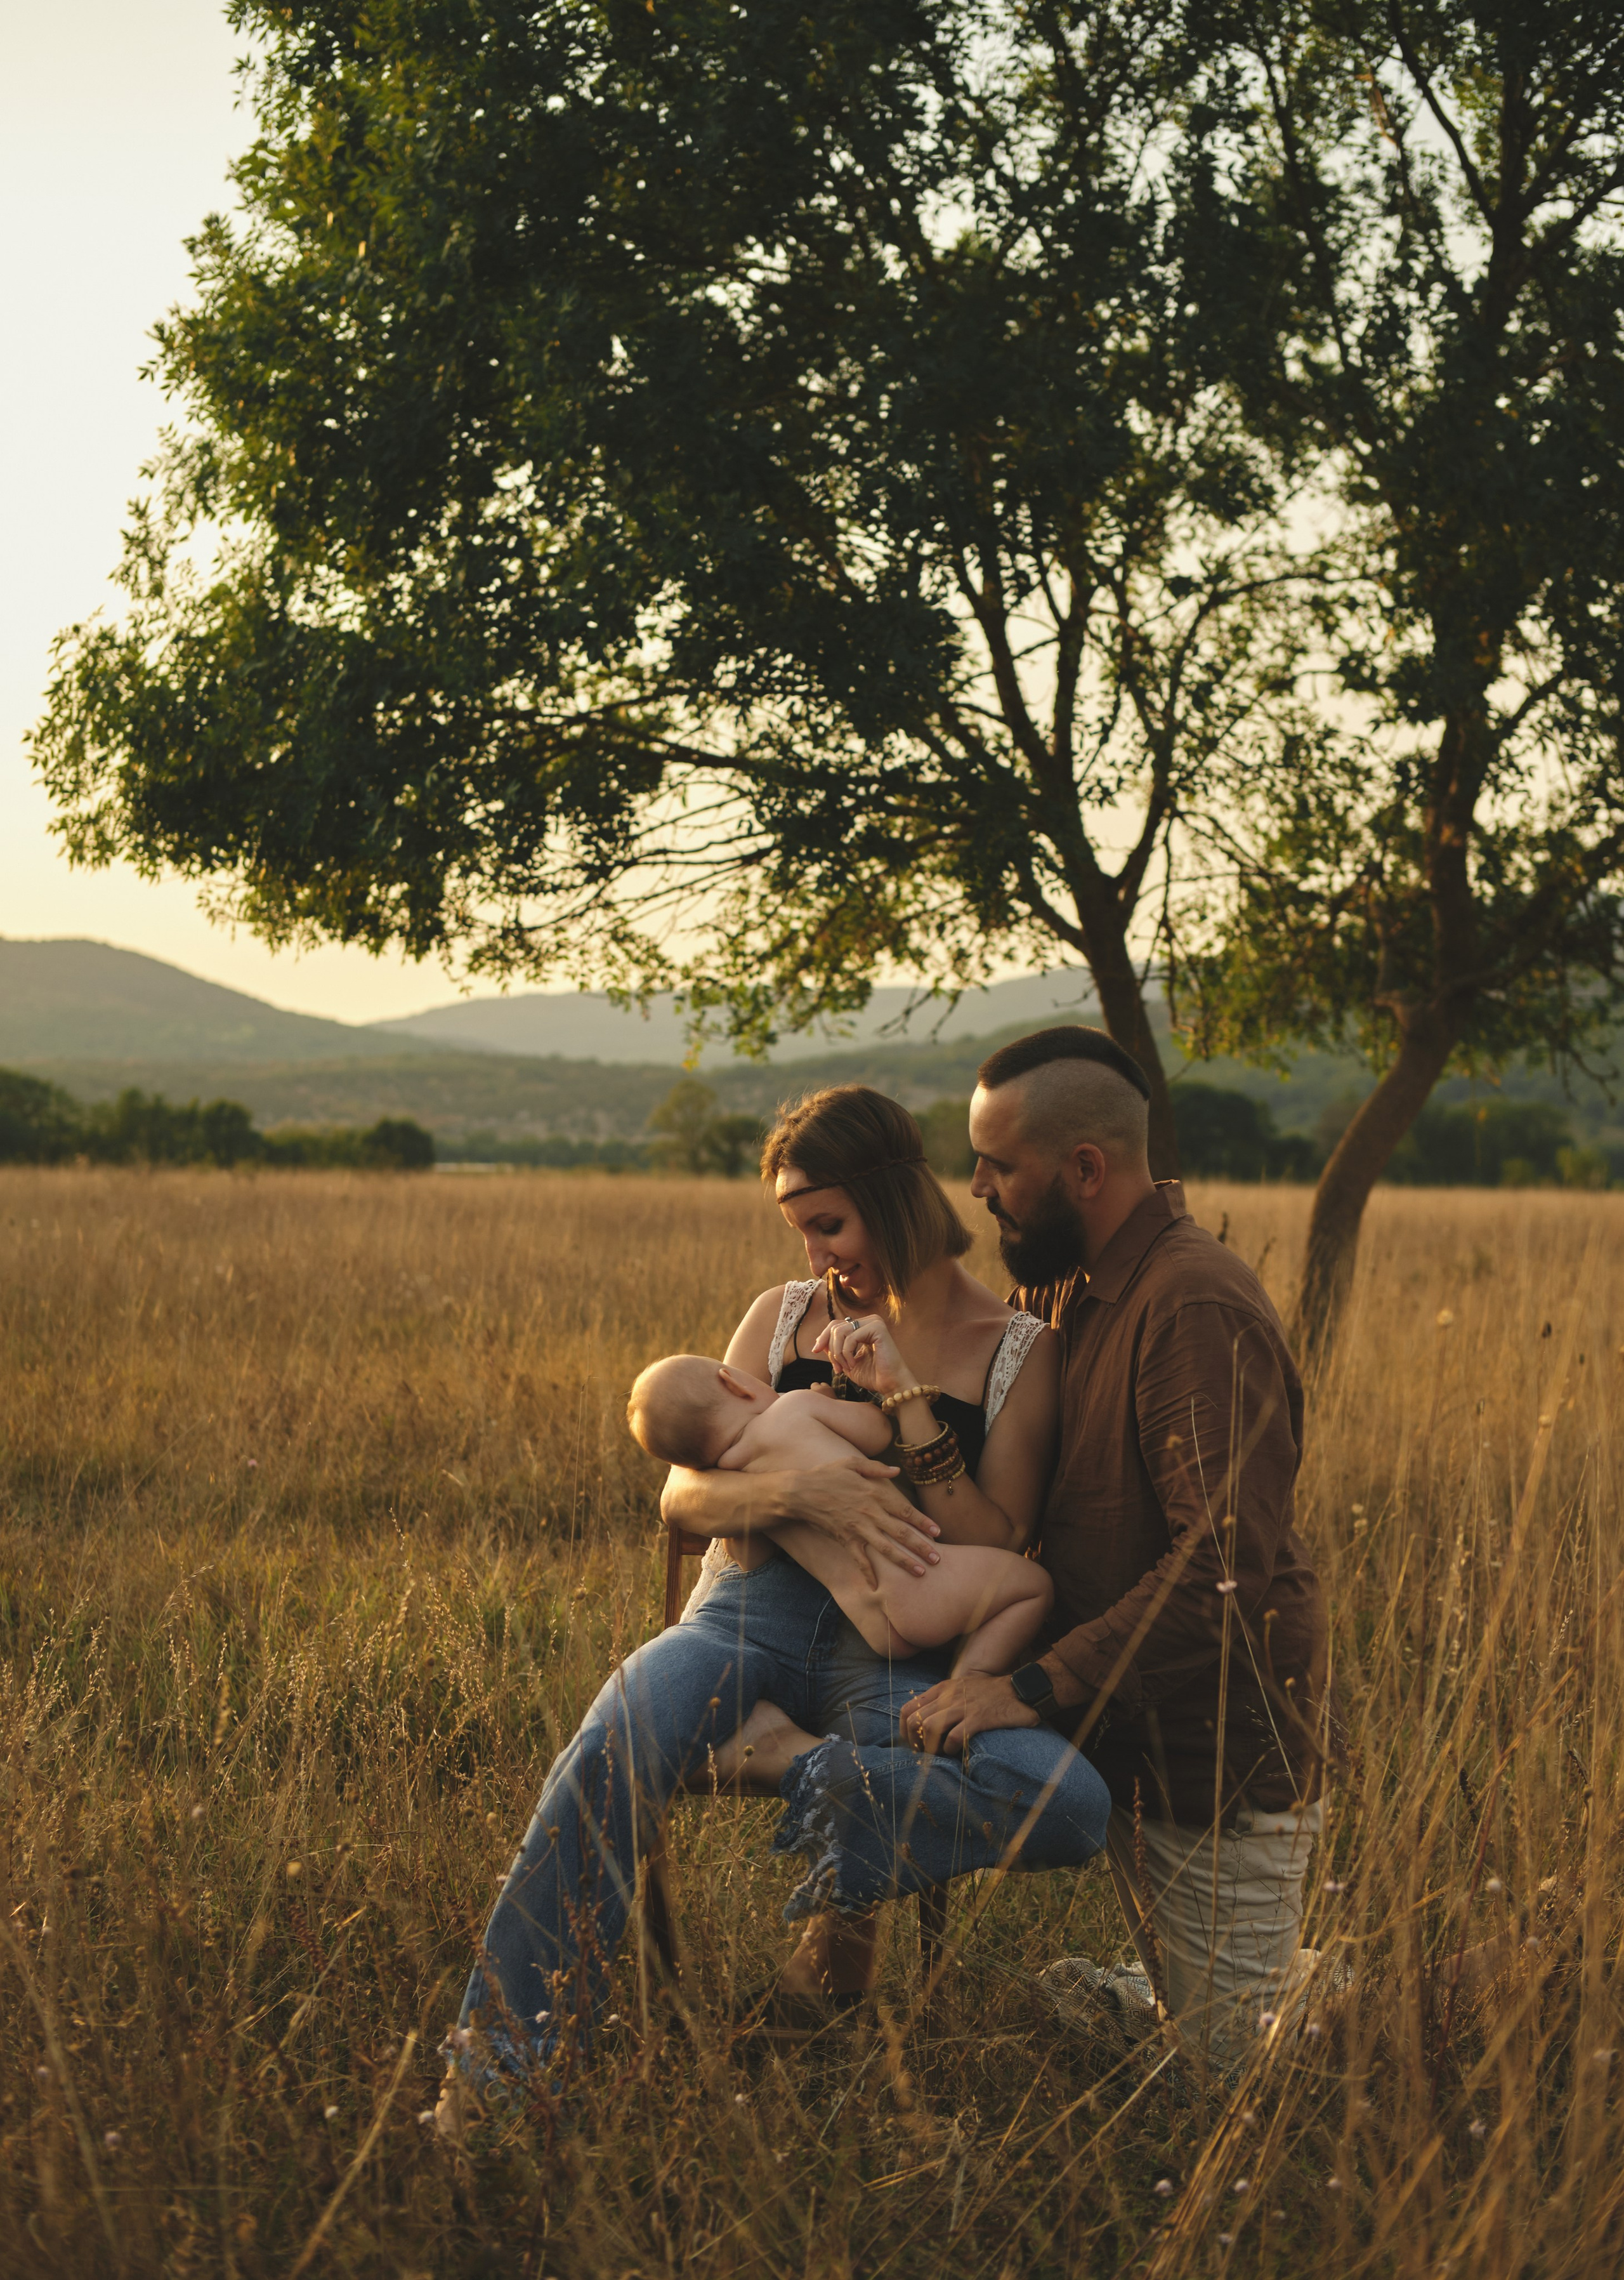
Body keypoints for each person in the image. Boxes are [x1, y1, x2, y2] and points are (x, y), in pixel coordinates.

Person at [439, 1085, 1110, 2128]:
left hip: (893, 1648)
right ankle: (496, 2089)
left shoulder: (1019, 1348)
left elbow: (993, 1539)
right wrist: (799, 1490)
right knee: (611, 1747)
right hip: (742, 1610)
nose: (815, 1258)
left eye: (829, 1226)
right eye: (800, 1232)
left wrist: (903, 1405)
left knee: (1070, 1804)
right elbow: (684, 1496)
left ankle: (791, 1759)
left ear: (893, 1199)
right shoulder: (783, 1317)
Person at [899, 1026, 1334, 2067]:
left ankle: (1491, 1984)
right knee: (1187, 2033)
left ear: (1084, 1169)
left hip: (1209, 1761)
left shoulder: (1191, 1305)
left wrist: (1031, 1686)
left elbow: (1224, 1575)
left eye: (999, 1164)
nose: (979, 1187)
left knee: (1241, 2079)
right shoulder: (1063, 1290)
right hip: (1111, 1739)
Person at [627, 1352, 1053, 1665]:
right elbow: (875, 1429)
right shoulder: (794, 1407)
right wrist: (829, 1399)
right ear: (735, 1384)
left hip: (871, 1625)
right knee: (1033, 1585)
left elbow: (750, 1559)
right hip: (920, 1580)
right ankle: (969, 1683)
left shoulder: (746, 1491)